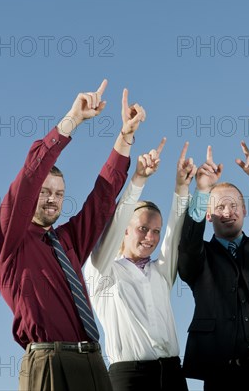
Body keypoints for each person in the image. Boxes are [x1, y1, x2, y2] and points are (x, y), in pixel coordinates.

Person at [0, 80, 145, 391]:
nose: (51, 199)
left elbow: (101, 198)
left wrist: (125, 138)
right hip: (49, 362)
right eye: (44, 192)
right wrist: (71, 121)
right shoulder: (6, 242)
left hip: (94, 361)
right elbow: (29, 176)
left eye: (58, 194)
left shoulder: (66, 242)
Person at [177, 144, 249, 391]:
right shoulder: (200, 256)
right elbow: (188, 247)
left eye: (233, 206)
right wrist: (202, 190)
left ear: (244, 210)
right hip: (221, 372)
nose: (227, 212)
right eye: (219, 207)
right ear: (208, 215)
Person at [84, 139, 196, 390]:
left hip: (172, 374)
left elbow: (174, 233)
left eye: (155, 231)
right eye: (143, 229)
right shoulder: (102, 270)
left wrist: (181, 188)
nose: (151, 237)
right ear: (124, 230)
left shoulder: (160, 272)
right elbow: (114, 225)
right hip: (129, 378)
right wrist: (138, 179)